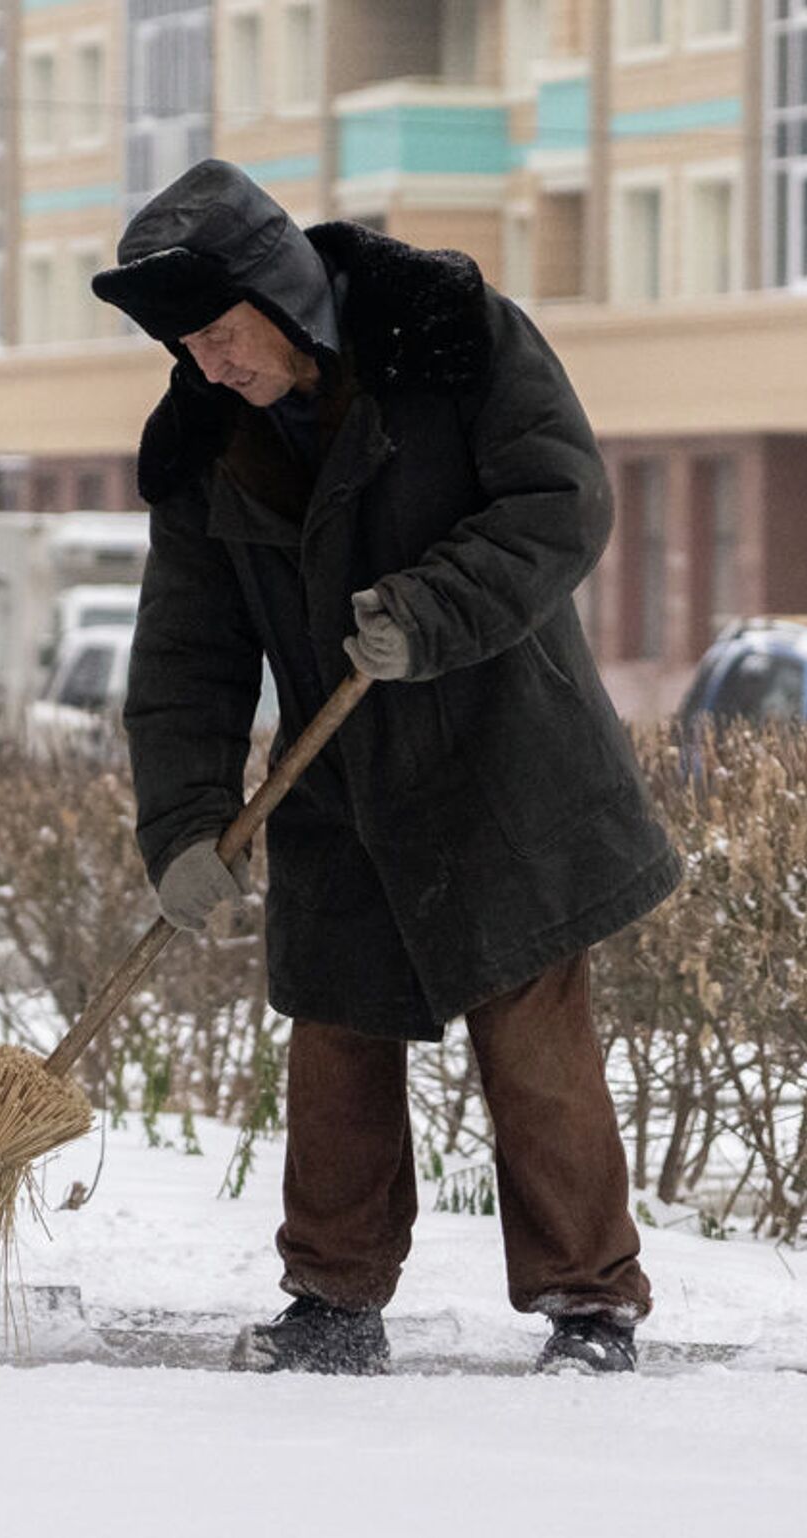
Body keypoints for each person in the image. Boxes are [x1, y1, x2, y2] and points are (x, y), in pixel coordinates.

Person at [91, 159, 681, 1375]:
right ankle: (333, 1299)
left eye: (215, 334)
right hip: (338, 777)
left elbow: (559, 498)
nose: (207, 366)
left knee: (532, 1039)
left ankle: (588, 1302)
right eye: (184, 347)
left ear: (278, 294)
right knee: (337, 1028)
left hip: (502, 756)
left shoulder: (449, 339)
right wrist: (186, 824)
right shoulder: (206, 442)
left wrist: (434, 606)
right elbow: (186, 655)